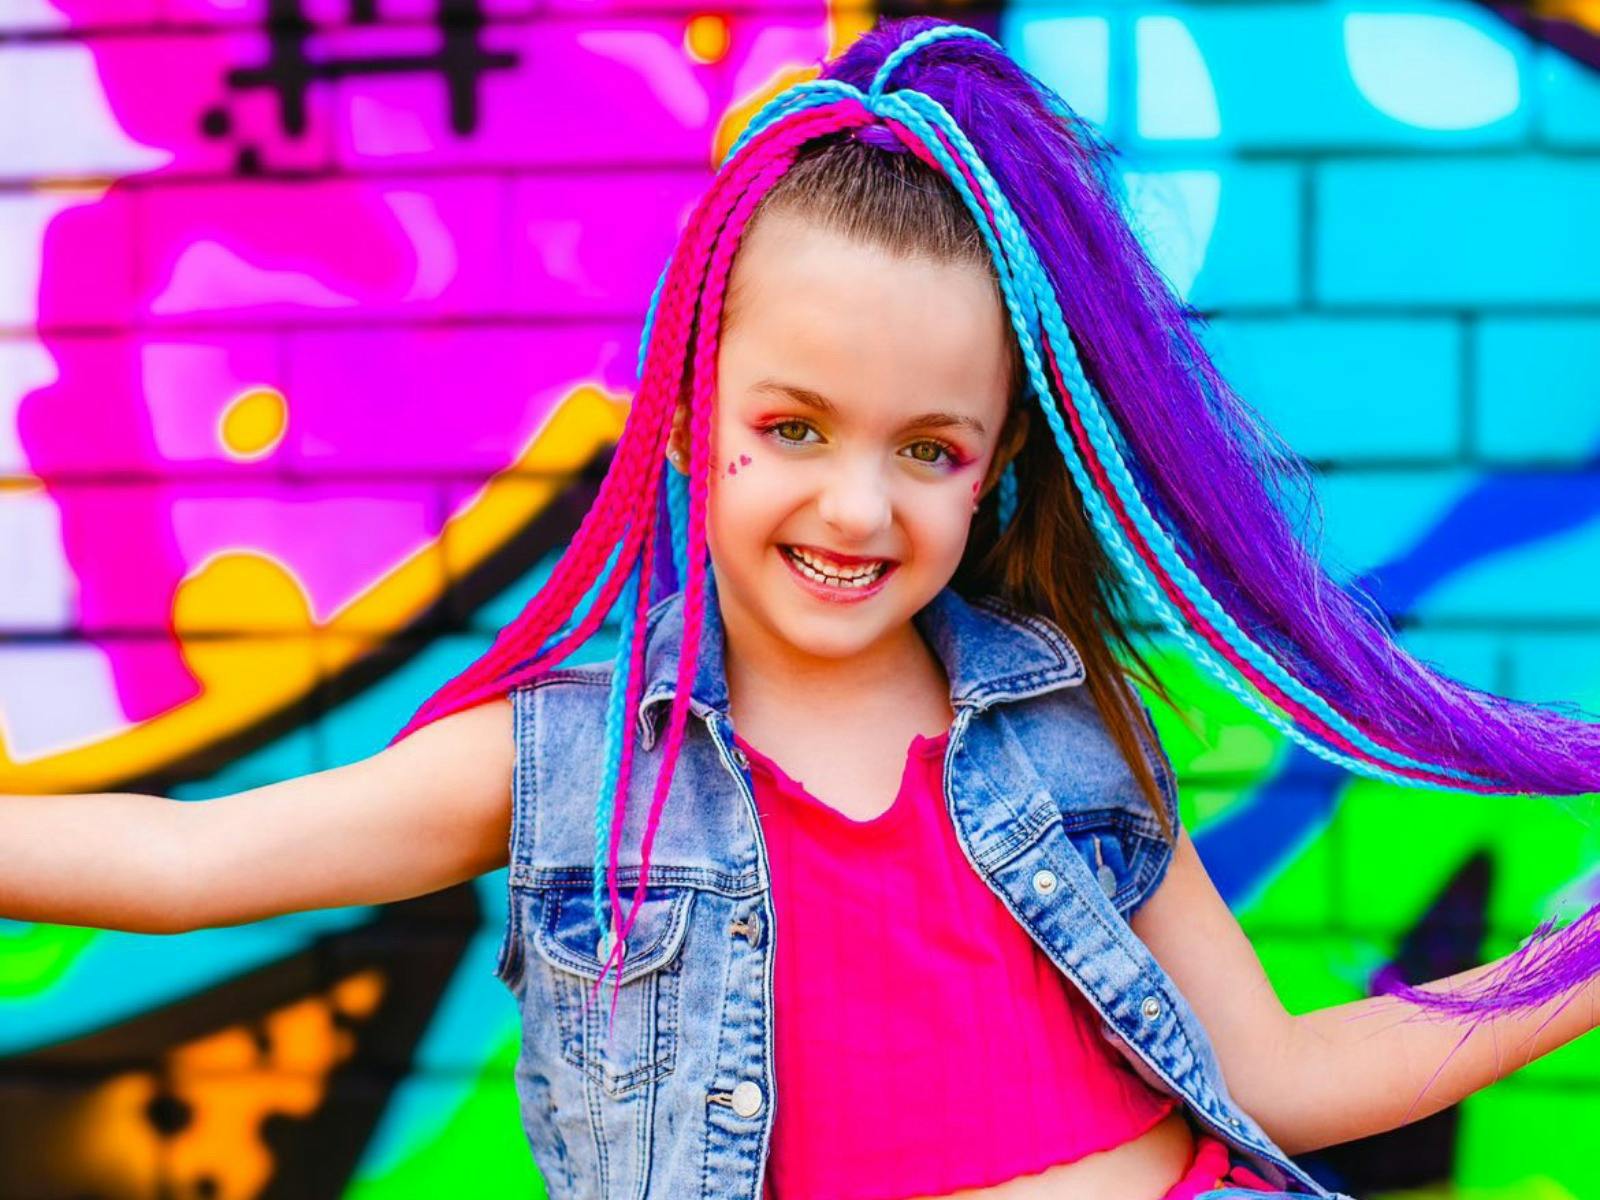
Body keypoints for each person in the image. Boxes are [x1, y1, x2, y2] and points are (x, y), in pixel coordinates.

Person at [6, 15, 1600, 1200]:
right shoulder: (576, 763)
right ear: (689, 410)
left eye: (928, 450)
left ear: (994, 468)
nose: (856, 507)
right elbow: (187, 863)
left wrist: (1568, 962)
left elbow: (1284, 1075)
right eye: (794, 428)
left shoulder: (1059, 731)